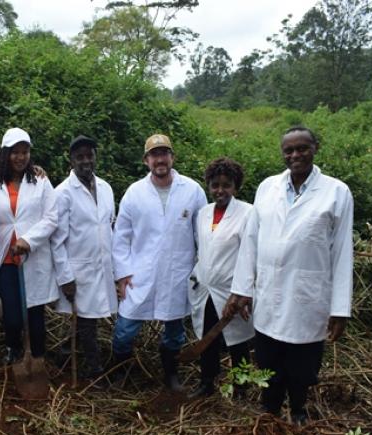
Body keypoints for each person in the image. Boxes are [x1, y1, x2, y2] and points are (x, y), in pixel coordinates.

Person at [225, 126, 354, 425]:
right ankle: (269, 412)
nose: (295, 155)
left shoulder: (336, 192)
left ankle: (298, 409)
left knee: (302, 365)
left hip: (308, 296)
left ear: (315, 148)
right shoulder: (267, 187)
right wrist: (242, 289)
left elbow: (342, 252)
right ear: (282, 153)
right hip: (270, 293)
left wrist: (340, 309)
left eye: (302, 148)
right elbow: (251, 241)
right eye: (289, 150)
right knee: (268, 360)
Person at [111, 134, 207, 390]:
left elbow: (203, 233)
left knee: (174, 331)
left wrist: (201, 269)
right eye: (154, 155)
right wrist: (121, 274)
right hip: (140, 274)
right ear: (146, 160)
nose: (160, 159)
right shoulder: (134, 193)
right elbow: (121, 236)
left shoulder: (192, 190)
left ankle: (170, 375)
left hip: (178, 273)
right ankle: (121, 372)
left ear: (172, 157)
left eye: (164, 153)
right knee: (125, 329)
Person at [0, 128, 58, 364]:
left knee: (35, 313)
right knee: (13, 316)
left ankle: (37, 357)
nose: (20, 157)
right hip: (5, 260)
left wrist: (28, 240)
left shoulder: (41, 182)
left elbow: (52, 218)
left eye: (25, 152)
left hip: (33, 259)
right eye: (15, 152)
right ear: (5, 154)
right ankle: (13, 351)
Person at [51, 135, 118, 381]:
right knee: (88, 323)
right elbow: (57, 241)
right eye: (80, 157)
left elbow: (109, 229)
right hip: (79, 270)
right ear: (71, 160)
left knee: (90, 320)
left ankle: (63, 355)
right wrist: (65, 277)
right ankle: (95, 371)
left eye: (89, 155)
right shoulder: (63, 193)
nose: (85, 161)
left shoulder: (106, 188)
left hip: (102, 266)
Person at [187, 158, 254, 399]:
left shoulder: (248, 213)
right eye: (215, 185)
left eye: (226, 185)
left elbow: (250, 255)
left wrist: (244, 293)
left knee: (238, 342)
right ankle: (207, 383)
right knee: (207, 338)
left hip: (232, 289)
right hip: (205, 288)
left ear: (236, 187)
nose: (220, 191)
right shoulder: (203, 213)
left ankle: (241, 387)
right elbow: (202, 249)